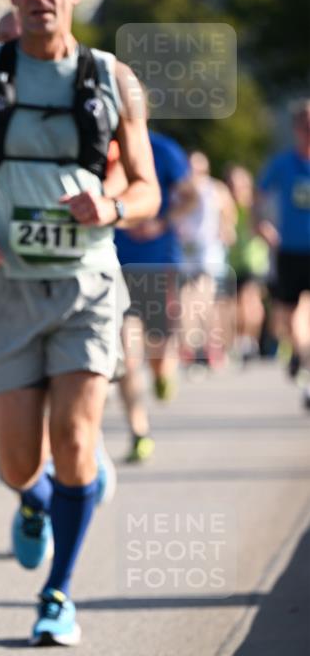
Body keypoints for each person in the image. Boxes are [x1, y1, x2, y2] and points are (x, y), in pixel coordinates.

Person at [0, 0, 160, 646]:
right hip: (2, 287)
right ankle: (34, 501)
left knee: (75, 440)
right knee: (16, 464)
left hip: (84, 285)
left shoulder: (112, 80)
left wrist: (112, 210)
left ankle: (57, 593)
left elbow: (148, 188)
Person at [109, 130, 195, 462]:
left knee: (157, 348)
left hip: (157, 263)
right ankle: (138, 431)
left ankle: (162, 374)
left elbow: (190, 197)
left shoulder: (164, 149)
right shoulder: (101, 146)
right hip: (114, 264)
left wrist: (161, 223)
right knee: (126, 354)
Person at [255, 100, 310, 407]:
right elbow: (258, 196)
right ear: (296, 129)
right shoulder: (283, 163)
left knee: (306, 314)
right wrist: (260, 225)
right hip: (290, 250)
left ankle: (305, 366)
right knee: (287, 318)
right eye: (304, 125)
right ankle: (299, 354)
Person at [176, 151, 237, 368]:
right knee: (185, 300)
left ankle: (209, 346)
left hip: (209, 251)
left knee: (203, 297)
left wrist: (226, 228)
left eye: (199, 168)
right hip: (185, 251)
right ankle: (191, 346)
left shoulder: (215, 189)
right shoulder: (180, 189)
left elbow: (230, 212)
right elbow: (172, 215)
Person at [224, 164, 269, 363]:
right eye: (232, 184)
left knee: (249, 299)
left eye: (240, 184)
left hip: (254, 260)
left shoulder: (253, 206)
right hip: (233, 262)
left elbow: (262, 226)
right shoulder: (227, 206)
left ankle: (249, 340)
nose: (236, 188)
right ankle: (242, 340)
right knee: (235, 304)